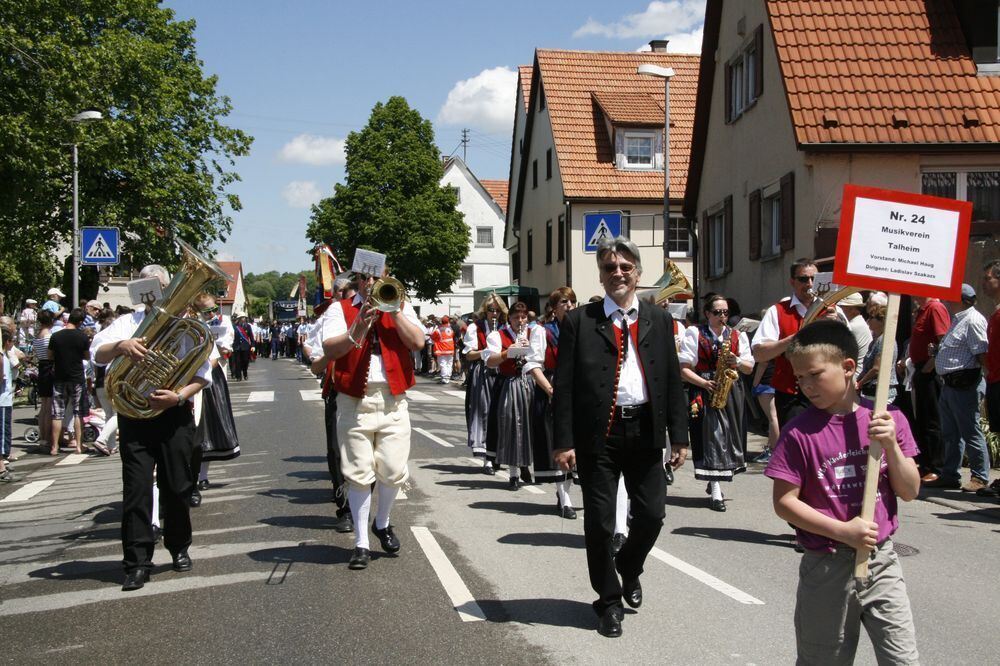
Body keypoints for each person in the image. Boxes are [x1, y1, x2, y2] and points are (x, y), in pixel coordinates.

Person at [552, 236, 689, 638]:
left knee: (651, 515)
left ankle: (629, 567)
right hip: (599, 436)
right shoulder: (580, 321)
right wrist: (564, 442)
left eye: (625, 267)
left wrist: (678, 436)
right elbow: (564, 387)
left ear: (637, 274)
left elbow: (671, 379)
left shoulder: (659, 319)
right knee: (599, 522)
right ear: (600, 274)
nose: (618, 274)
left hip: (646, 431)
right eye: (610, 267)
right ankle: (608, 601)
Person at [765, 319, 920, 664]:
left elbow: (909, 491)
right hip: (827, 564)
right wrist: (842, 530)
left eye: (814, 374)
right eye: (799, 377)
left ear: (848, 367)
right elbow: (784, 503)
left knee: (903, 659)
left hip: (881, 561)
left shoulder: (886, 419)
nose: (805, 385)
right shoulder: (798, 433)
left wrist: (891, 446)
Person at [90, 264, 216, 591]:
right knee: (136, 492)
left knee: (177, 487)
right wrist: (121, 347)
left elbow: (203, 374)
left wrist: (177, 396)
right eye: (144, 286)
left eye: (158, 286)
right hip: (135, 418)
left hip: (173, 417)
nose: (150, 293)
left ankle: (179, 546)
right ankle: (136, 562)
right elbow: (96, 353)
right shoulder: (126, 323)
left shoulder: (187, 327)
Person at [318, 269, 425, 571]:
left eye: (376, 277)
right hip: (354, 399)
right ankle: (361, 542)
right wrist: (361, 322)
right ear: (357, 281)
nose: (371, 283)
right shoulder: (340, 308)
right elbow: (330, 348)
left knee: (393, 469)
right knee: (359, 472)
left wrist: (395, 310)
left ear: (386, 277)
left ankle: (383, 522)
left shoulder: (400, 304)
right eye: (365, 278)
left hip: (393, 398)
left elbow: (417, 342)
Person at [678, 295, 754, 512]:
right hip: (705, 388)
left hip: (732, 389)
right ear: (708, 314)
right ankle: (716, 489)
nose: (723, 316)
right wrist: (704, 383)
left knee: (729, 437)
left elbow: (749, 367)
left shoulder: (737, 335)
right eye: (718, 312)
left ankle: (715, 484)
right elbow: (683, 368)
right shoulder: (695, 333)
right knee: (713, 437)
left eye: (726, 313)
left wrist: (737, 361)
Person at [923, 284, 990, 493]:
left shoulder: (972, 320)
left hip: (965, 385)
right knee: (950, 433)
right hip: (951, 384)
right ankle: (950, 474)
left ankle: (980, 477)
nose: (947, 301)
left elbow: (981, 353)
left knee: (970, 431)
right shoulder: (958, 319)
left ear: (960, 299)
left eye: (950, 298)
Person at [752, 259, 835, 427]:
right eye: (803, 279)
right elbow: (759, 353)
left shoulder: (833, 310)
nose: (810, 284)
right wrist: (798, 336)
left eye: (814, 279)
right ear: (792, 282)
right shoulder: (777, 311)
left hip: (828, 392)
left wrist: (836, 326)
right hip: (792, 396)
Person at [189, 293, 241, 507]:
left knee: (208, 427)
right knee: (191, 429)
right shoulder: (189, 321)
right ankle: (189, 478)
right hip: (187, 375)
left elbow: (223, 350)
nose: (211, 314)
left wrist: (219, 346)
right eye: (206, 311)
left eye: (213, 310)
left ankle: (201, 476)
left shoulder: (223, 321)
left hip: (210, 374)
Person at [483, 301, 540, 490]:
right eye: (516, 317)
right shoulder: (497, 335)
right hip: (509, 384)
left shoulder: (535, 333)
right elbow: (490, 362)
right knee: (512, 427)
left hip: (530, 383)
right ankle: (514, 473)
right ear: (510, 319)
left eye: (523, 317)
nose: (520, 321)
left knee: (531, 427)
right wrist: (509, 352)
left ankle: (526, 464)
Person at [539, 288, 579, 517]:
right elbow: (532, 365)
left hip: (579, 388)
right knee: (560, 440)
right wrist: (551, 389)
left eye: (573, 301)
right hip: (554, 385)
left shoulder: (582, 328)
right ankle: (564, 498)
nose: (570, 305)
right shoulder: (544, 332)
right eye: (564, 301)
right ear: (554, 307)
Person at [906, 294, 950, 482]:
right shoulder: (923, 310)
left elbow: (944, 339)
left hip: (929, 371)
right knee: (923, 419)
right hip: (920, 369)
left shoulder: (935, 308)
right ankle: (925, 464)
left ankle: (936, 467)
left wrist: (930, 365)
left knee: (933, 420)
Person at [463, 295, 506, 466]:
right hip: (483, 372)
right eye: (491, 310)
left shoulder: (505, 327)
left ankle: (499, 452)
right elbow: (469, 355)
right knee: (484, 412)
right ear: (485, 311)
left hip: (503, 371)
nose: (494, 314)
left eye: (497, 310)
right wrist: (485, 352)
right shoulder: (475, 327)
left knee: (503, 413)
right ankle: (487, 456)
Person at [48, 308, 90, 455]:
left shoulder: (56, 336)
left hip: (59, 377)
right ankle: (79, 445)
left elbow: (50, 355)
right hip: (77, 377)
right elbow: (87, 357)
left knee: (57, 413)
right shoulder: (82, 337)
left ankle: (54, 447)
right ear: (80, 322)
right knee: (78, 412)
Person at [857, 295, 898, 405]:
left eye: (871, 317)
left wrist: (860, 383)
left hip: (881, 393)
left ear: (882, 321)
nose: (868, 320)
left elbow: (876, 369)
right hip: (871, 391)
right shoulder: (876, 340)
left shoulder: (884, 340)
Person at [32, 309, 56, 450]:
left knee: (43, 406)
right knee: (49, 406)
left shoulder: (37, 337)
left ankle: (43, 436)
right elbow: (51, 354)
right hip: (49, 367)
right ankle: (47, 437)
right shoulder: (49, 336)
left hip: (41, 366)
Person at [838, 291, 872, 374]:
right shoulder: (858, 322)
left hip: (855, 373)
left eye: (842, 307)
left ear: (852, 309)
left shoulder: (853, 326)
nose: (839, 310)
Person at [1, 329, 14, 469]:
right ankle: (4, 456)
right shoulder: (3, 359)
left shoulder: (4, 357)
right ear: (6, 342)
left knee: (5, 428)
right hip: (3, 399)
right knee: (4, 430)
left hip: (7, 398)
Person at [430, 316, 456, 384]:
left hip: (442, 349)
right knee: (449, 363)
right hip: (450, 349)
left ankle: (444, 378)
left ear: (441, 321)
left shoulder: (439, 329)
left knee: (443, 363)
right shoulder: (450, 328)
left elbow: (432, 336)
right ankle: (448, 377)